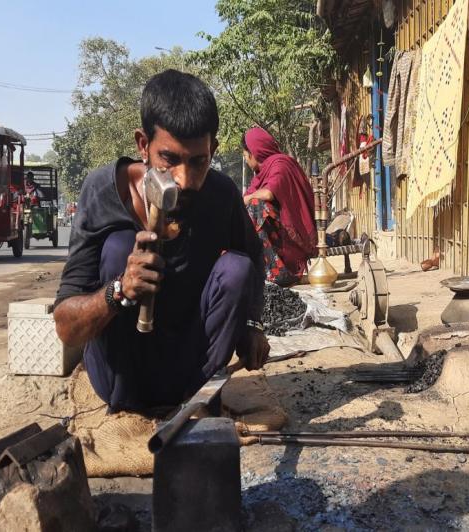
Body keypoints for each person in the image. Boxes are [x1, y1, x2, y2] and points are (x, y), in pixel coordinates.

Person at [54, 70, 269, 413]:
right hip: (118, 376)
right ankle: (130, 406)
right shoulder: (104, 192)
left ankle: (196, 400)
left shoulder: (220, 194)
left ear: (212, 149)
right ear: (143, 145)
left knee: (237, 268)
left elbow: (254, 257)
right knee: (120, 247)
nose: (185, 180)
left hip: (189, 370)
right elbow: (66, 328)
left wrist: (252, 325)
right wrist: (120, 290)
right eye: (170, 159)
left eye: (199, 161)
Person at [242, 127, 317, 286]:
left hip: (293, 237)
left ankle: (278, 272)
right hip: (278, 232)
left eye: (245, 156)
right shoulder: (262, 173)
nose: (247, 161)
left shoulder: (280, 164)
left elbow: (268, 194)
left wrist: (247, 199)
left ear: (253, 152)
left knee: (255, 207)